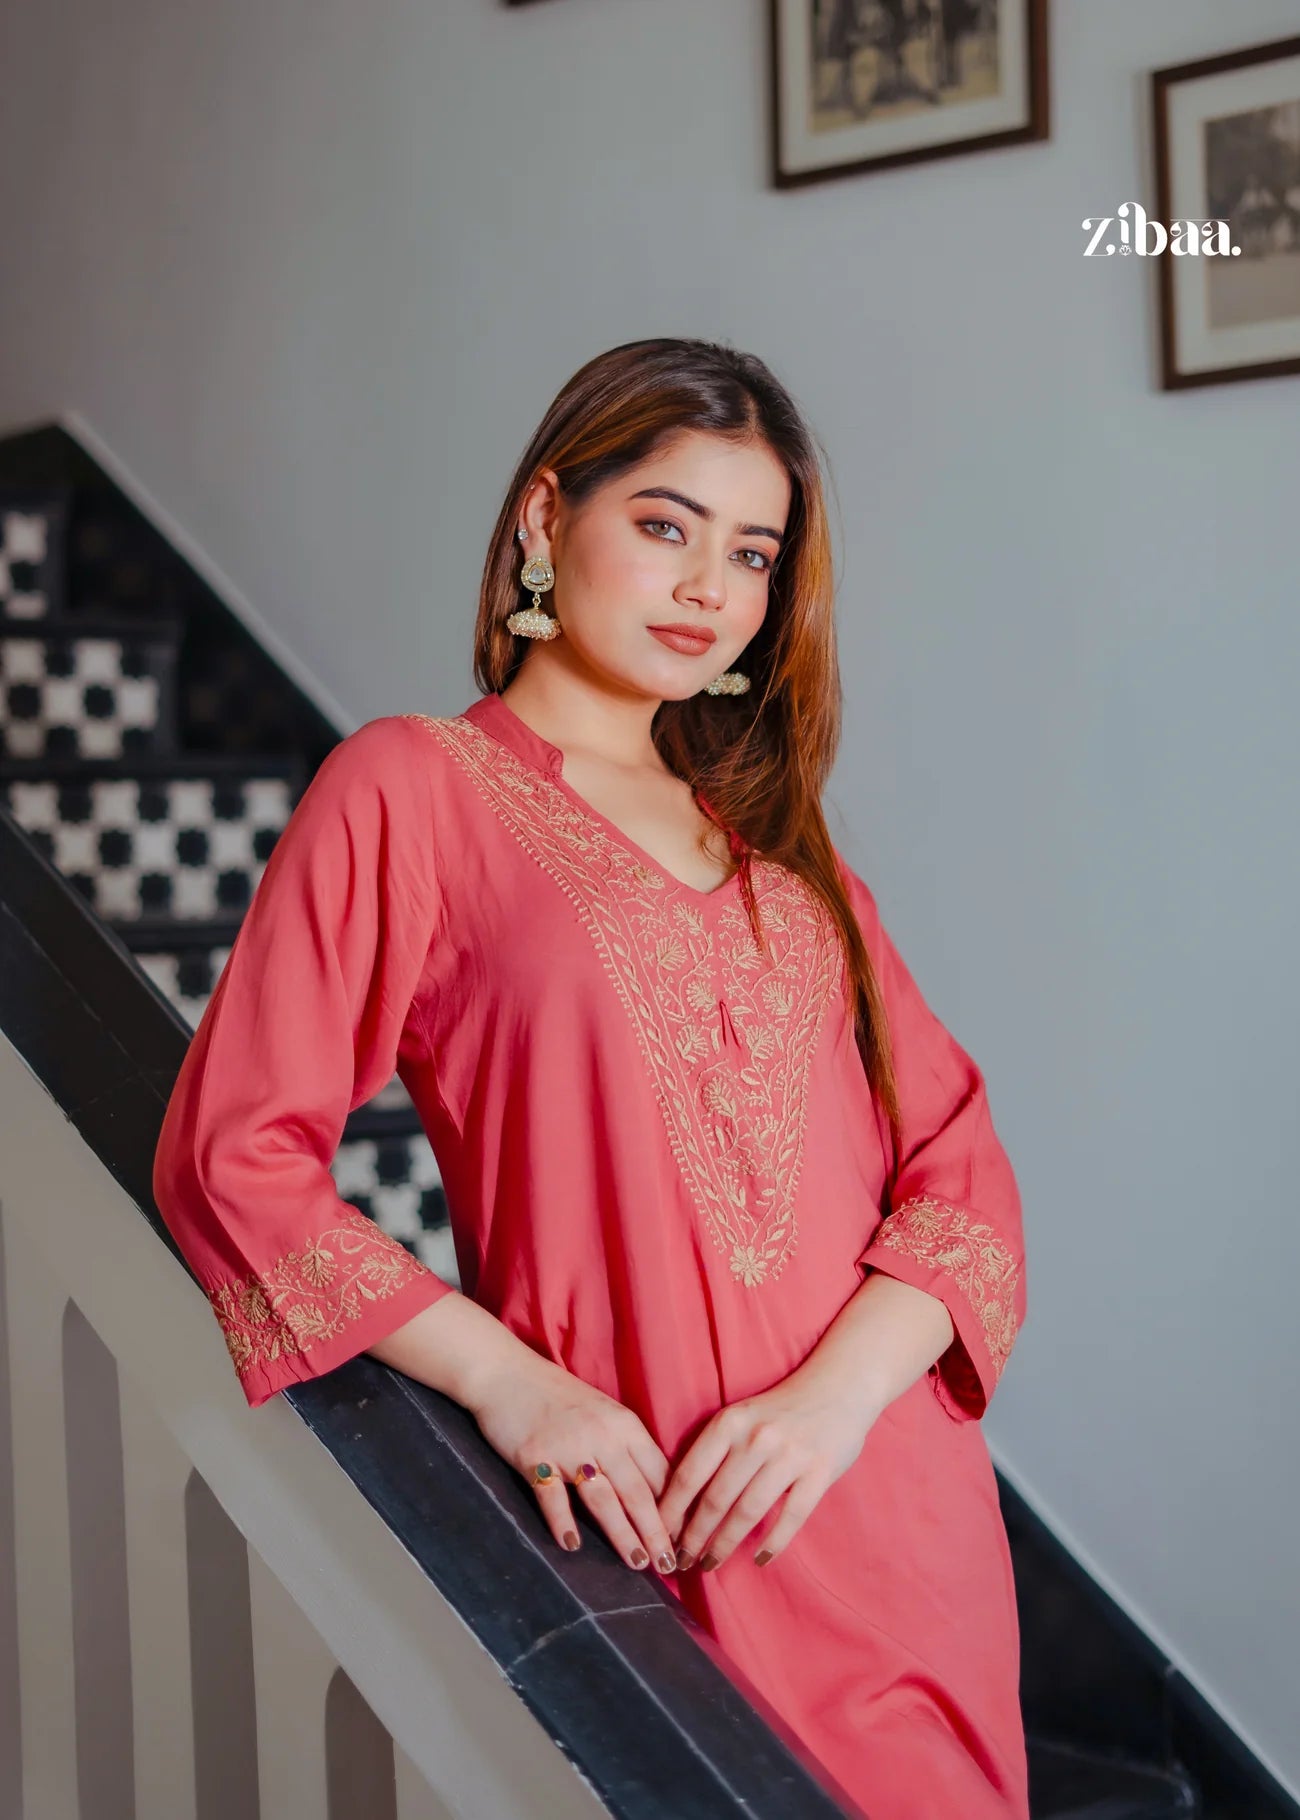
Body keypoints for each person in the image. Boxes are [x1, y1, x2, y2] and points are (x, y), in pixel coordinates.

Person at [152, 337, 1029, 1820]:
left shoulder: (786, 859)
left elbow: (963, 1166)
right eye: (667, 524)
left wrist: (829, 1404)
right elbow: (232, 1155)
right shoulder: (413, 788)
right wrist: (507, 1382)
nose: (708, 586)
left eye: (751, 553)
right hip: (662, 1526)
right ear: (547, 519)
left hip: (894, 1507)